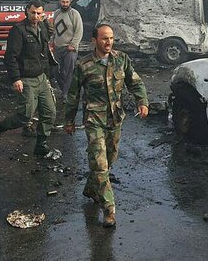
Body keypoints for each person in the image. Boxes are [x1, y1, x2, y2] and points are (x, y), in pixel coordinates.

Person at [63, 24, 149, 228]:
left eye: (111, 38)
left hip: (115, 119)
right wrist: (69, 120)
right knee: (100, 164)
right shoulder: (84, 64)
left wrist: (142, 101)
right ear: (94, 40)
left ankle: (92, 189)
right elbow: (73, 95)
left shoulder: (121, 59)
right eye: (104, 38)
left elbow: (134, 82)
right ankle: (109, 209)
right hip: (94, 120)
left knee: (109, 159)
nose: (108, 42)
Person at [0, 0, 58, 156]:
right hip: (26, 78)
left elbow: (45, 51)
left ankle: (41, 144)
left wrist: (49, 74)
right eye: (33, 12)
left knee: (49, 112)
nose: (36, 16)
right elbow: (10, 57)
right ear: (27, 11)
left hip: (41, 77)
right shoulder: (18, 30)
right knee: (25, 115)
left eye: (39, 13)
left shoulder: (42, 28)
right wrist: (15, 78)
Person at [51, 0, 84, 107]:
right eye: (63, 2)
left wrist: (73, 45)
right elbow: (54, 31)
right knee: (55, 70)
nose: (65, 4)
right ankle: (63, 89)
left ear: (70, 2)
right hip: (57, 48)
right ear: (60, 2)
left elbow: (79, 31)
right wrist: (51, 43)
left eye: (67, 2)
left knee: (69, 71)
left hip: (69, 49)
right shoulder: (56, 14)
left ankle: (65, 94)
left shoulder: (74, 14)